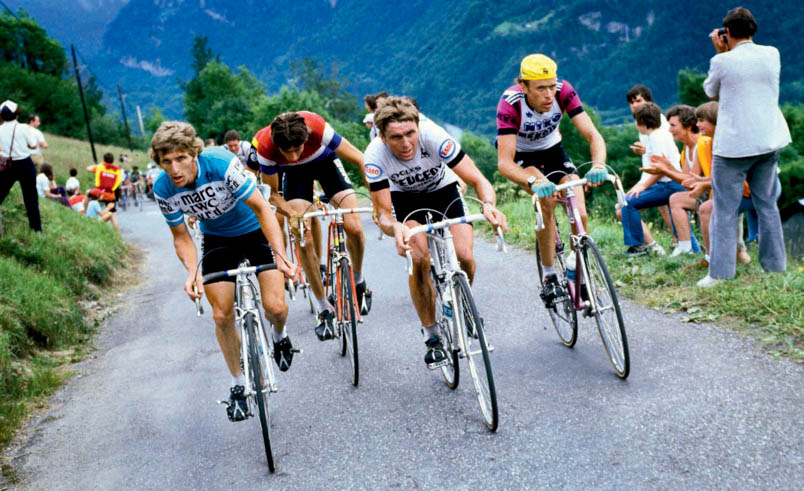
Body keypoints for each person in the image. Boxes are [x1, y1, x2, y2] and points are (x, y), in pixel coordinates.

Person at [151, 121, 295, 422]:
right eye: (166, 162)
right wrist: (192, 273)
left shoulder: (220, 164)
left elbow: (263, 209)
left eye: (180, 159)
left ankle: (280, 336)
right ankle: (238, 386)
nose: (174, 168)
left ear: (194, 154)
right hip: (217, 240)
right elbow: (181, 237)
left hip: (255, 231)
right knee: (220, 315)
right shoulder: (163, 188)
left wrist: (280, 256)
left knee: (276, 307)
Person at [367, 96, 506, 367]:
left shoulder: (435, 138)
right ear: (383, 137)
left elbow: (478, 179)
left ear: (418, 128)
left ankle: (464, 305)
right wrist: (394, 228)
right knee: (419, 259)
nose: (406, 144)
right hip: (404, 202)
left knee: (465, 256)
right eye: (396, 137)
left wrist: (489, 206)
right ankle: (432, 337)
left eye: (410, 134)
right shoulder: (374, 156)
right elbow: (383, 213)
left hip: (444, 192)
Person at [496, 54, 607, 307]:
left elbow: (593, 134)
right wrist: (533, 182)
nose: (549, 94)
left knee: (580, 213)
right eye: (540, 88)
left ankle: (577, 268)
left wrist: (598, 164)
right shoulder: (510, 103)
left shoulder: (563, 91)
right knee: (546, 201)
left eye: (551, 86)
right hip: (522, 156)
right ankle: (548, 275)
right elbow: (504, 163)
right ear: (524, 87)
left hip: (553, 150)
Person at [254, 111, 372, 342]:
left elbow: (359, 159)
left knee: (355, 228)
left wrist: (380, 205)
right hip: (294, 177)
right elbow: (273, 195)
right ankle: (323, 307)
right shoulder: (266, 148)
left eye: (297, 149)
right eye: (286, 153)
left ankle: (357, 281)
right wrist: (293, 215)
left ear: (306, 138)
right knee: (302, 235)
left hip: (325, 162)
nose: (294, 156)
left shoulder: (317, 127)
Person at [699, 7, 791, 287]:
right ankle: (775, 269)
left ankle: (720, 274)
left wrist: (720, 52)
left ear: (726, 33)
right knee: (767, 205)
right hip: (767, 140)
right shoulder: (772, 54)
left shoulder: (722, 61)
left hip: (733, 148)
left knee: (725, 210)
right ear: (753, 30)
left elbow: (710, 92)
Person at [619, 102, 688, 256]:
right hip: (667, 183)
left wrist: (643, 186)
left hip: (670, 184)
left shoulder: (657, 137)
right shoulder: (656, 136)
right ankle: (691, 249)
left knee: (628, 202)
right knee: (627, 203)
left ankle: (638, 247)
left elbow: (659, 170)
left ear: (641, 122)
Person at [641, 104, 702, 256]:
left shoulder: (701, 144)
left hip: (711, 194)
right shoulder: (687, 148)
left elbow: (690, 180)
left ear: (687, 126)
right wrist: (667, 167)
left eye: (673, 125)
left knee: (676, 199)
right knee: (676, 199)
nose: (669, 130)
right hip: (701, 193)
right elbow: (688, 179)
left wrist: (666, 169)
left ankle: (686, 247)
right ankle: (685, 246)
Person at [625, 84, 676, 237]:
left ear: (648, 101)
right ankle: (677, 239)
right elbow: (656, 151)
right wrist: (644, 151)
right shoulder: (644, 122)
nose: (634, 105)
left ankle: (677, 239)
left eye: (638, 101)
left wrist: (644, 185)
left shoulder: (656, 122)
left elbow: (664, 153)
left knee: (627, 205)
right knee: (664, 206)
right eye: (631, 102)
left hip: (661, 177)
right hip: (654, 175)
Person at [0, 100, 42, 232]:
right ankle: (36, 230)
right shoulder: (24, 128)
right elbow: (33, 145)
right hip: (24, 164)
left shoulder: (0, 129)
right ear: (16, 114)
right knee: (30, 198)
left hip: (7, 164)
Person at [87, 153, 123, 220]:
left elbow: (88, 168)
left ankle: (84, 213)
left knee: (88, 193)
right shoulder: (117, 170)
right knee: (113, 215)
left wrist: (99, 165)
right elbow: (120, 184)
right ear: (113, 160)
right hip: (110, 195)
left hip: (99, 192)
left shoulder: (100, 167)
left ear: (104, 159)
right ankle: (116, 230)